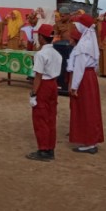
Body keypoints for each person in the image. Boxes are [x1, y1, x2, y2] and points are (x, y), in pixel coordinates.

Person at [68, 15, 104, 154]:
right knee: (91, 109)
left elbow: (79, 67)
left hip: (83, 79)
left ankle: (89, 142)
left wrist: (74, 86)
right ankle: (91, 139)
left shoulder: (83, 44)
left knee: (85, 110)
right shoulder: (90, 40)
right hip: (90, 77)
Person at [26, 24, 62, 162]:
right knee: (51, 117)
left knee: (40, 118)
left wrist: (34, 93)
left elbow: (38, 76)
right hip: (53, 84)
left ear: (41, 37)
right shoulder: (57, 53)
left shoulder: (41, 54)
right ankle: (50, 148)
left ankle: (43, 149)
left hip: (44, 86)